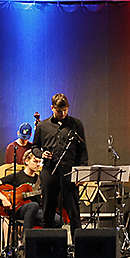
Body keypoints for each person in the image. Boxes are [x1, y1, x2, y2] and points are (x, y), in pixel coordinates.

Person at [33, 93, 88, 231]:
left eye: (65, 110)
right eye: (59, 111)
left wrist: (81, 173)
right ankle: (48, 247)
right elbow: (34, 147)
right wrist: (41, 154)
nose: (63, 113)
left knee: (74, 212)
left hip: (70, 172)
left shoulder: (76, 124)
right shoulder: (42, 126)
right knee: (48, 210)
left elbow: (82, 151)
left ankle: (78, 248)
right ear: (52, 108)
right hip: (49, 171)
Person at [0, 147, 48, 250]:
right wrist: (4, 199)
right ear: (26, 161)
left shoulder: (40, 179)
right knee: (33, 206)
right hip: (18, 209)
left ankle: (45, 248)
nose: (37, 164)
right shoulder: (16, 176)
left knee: (57, 220)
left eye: (39, 162)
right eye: (35, 161)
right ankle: (25, 243)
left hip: (34, 210)